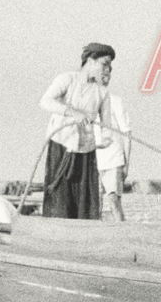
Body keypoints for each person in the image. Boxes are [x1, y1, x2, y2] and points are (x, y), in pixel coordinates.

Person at [39, 43, 115, 219]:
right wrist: (73, 113)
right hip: (61, 146)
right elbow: (45, 101)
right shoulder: (67, 79)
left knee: (84, 202)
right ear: (90, 61)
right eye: (104, 64)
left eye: (110, 66)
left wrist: (105, 139)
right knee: (59, 198)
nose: (107, 69)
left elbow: (107, 124)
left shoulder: (102, 93)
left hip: (85, 152)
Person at [95, 68, 132, 222]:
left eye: (106, 75)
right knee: (94, 203)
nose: (104, 78)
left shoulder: (115, 101)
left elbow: (127, 134)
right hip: (93, 160)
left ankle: (123, 235)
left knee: (114, 201)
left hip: (113, 160)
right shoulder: (86, 104)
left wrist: (126, 165)